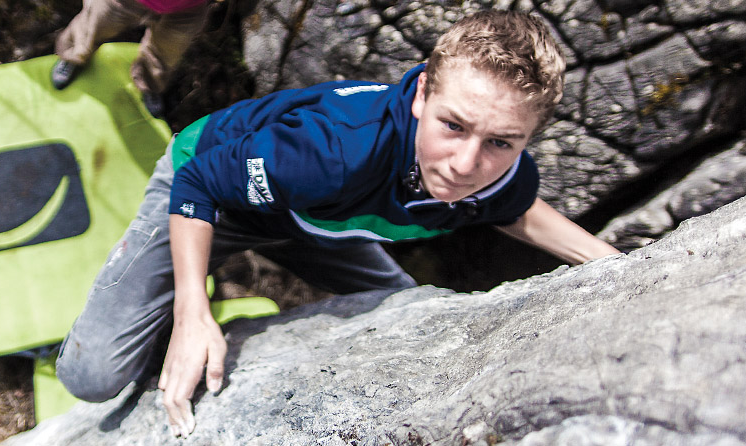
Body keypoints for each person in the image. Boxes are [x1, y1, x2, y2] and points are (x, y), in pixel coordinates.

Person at [56, 10, 621, 436]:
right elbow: (201, 181)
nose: (466, 165)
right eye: (454, 125)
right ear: (422, 92)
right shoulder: (336, 151)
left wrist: (621, 268)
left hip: (314, 220)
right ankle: (156, 308)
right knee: (94, 376)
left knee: (412, 310)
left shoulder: (500, 174)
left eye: (500, 142)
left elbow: (517, 212)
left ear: (525, 139)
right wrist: (191, 313)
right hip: (213, 193)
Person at [51, 0, 211, 118]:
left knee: (167, 51)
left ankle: (149, 83)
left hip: (188, 8)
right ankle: (72, 57)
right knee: (94, 24)